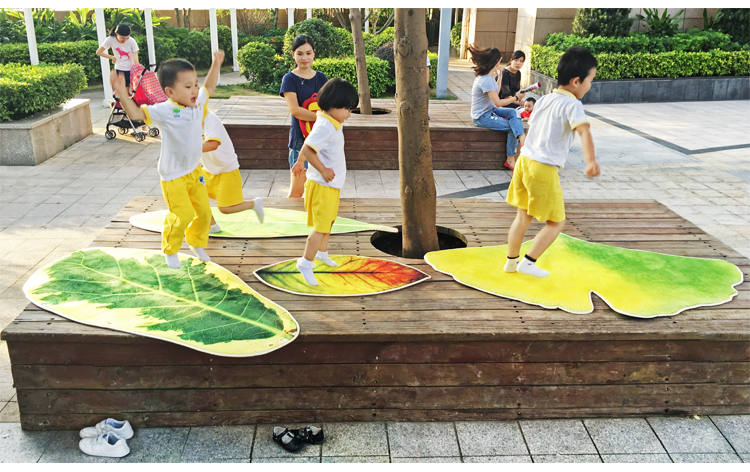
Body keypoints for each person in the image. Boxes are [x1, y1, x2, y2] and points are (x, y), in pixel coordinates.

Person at [110, 51, 224, 269]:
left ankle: (196, 243)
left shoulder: (197, 102)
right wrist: (123, 94)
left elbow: (209, 88)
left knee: (204, 212)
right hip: (173, 176)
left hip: (194, 171)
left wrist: (216, 64)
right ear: (170, 92)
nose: (195, 90)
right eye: (188, 86)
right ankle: (171, 250)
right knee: (183, 214)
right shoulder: (165, 110)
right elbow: (136, 115)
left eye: (195, 84)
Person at [504, 47, 601, 278]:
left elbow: (532, 128)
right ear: (576, 81)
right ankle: (528, 262)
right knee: (557, 222)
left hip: (524, 162)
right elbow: (584, 132)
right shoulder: (573, 105)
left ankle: (511, 262)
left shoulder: (545, 99)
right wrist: (590, 162)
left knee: (522, 217)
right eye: (590, 80)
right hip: (542, 168)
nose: (590, 85)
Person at [291, 78, 359, 286]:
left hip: (330, 186)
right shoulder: (325, 126)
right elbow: (308, 148)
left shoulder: (331, 122)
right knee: (320, 228)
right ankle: (305, 262)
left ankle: (321, 253)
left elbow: (308, 144)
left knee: (329, 222)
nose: (349, 115)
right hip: (322, 186)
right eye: (347, 110)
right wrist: (322, 169)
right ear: (334, 106)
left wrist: (300, 163)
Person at [280, 34, 328, 198]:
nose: (304, 58)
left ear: (314, 53)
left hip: (320, 139)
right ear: (293, 55)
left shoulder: (321, 78)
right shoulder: (289, 79)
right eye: (300, 53)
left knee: (318, 189)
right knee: (297, 190)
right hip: (300, 139)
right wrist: (323, 118)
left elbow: (329, 106)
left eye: (308, 53)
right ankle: (288, 215)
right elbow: (295, 110)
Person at [201, 111, 265, 233]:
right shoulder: (188, 119)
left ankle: (254, 204)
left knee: (225, 208)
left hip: (226, 168)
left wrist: (188, 149)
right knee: (194, 194)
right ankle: (211, 224)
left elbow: (213, 144)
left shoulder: (209, 118)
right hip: (208, 169)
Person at [468, 44, 526, 170]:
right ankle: (510, 159)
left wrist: (500, 77)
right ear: (495, 61)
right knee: (512, 127)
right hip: (482, 117)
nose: (501, 61)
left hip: (490, 110)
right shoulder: (485, 79)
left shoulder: (488, 77)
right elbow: (498, 102)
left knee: (513, 112)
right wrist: (516, 98)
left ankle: (522, 138)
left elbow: (496, 91)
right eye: (499, 59)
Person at [97, 24, 139, 93]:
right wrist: (112, 57)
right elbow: (99, 52)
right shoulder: (110, 39)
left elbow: (136, 58)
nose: (125, 40)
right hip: (119, 68)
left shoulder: (132, 41)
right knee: (124, 93)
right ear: (116, 34)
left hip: (131, 69)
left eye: (127, 38)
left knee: (135, 92)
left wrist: (136, 70)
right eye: (123, 38)